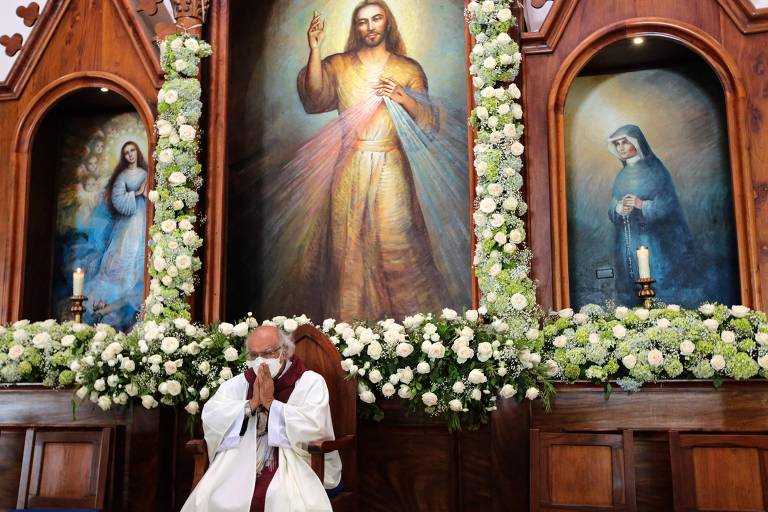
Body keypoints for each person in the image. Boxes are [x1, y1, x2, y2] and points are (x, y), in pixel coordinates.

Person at [294, 0, 449, 321]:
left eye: (376, 19)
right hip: (349, 166)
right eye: (363, 22)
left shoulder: (408, 69)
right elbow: (314, 98)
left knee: (399, 241)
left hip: (391, 165)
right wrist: (314, 48)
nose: (370, 27)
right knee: (347, 247)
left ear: (387, 23)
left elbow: (429, 123)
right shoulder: (339, 64)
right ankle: (350, 329)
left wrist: (402, 96)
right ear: (356, 28)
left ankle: (412, 331)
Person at [182, 326, 342, 512]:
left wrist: (271, 404)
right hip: (241, 457)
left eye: (267, 353)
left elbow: (315, 427)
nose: (260, 361)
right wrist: (250, 405)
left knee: (279, 498)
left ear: (283, 352)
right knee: (215, 495)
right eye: (253, 355)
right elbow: (212, 416)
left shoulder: (310, 382)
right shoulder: (240, 383)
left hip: (293, 461)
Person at [607, 124, 693, 303]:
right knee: (630, 288)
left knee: (660, 285)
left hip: (655, 242)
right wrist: (619, 208)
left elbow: (668, 204)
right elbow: (613, 205)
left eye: (625, 142)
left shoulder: (656, 170)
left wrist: (641, 205)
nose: (620, 147)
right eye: (617, 144)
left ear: (637, 144)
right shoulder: (621, 176)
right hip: (628, 242)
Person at [86, 141, 147, 331]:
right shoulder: (122, 176)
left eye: (133, 150)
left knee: (138, 259)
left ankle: (123, 301)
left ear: (137, 152)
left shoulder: (146, 174)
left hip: (145, 219)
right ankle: (104, 306)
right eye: (127, 152)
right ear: (124, 156)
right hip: (128, 222)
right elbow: (118, 200)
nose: (130, 155)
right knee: (118, 257)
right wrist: (137, 193)